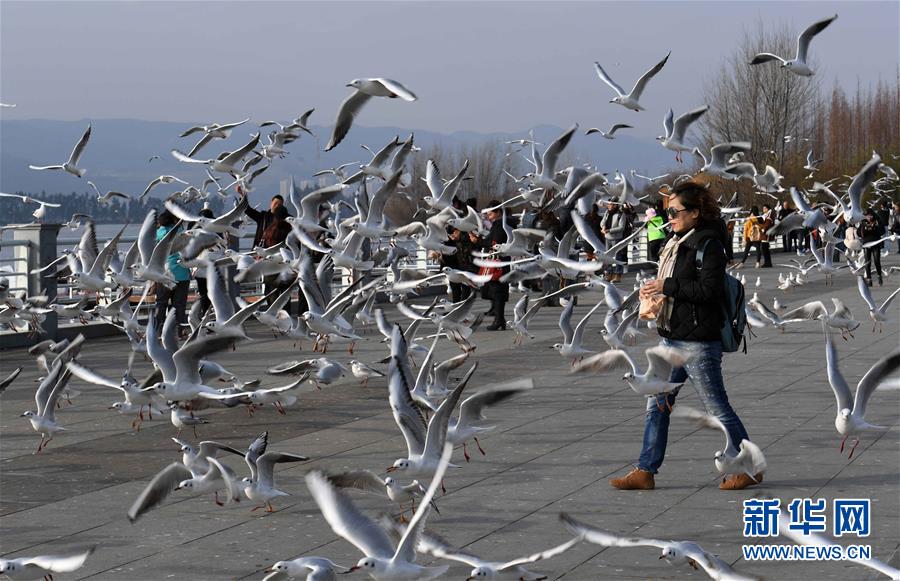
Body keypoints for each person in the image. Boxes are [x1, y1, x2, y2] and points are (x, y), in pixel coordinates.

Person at [611, 180, 758, 491]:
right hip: (671, 336)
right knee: (657, 402)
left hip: (698, 342)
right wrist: (652, 225)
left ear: (695, 212)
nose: (670, 218)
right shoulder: (677, 241)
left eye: (675, 212)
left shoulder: (709, 244)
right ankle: (645, 470)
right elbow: (657, 251)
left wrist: (667, 287)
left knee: (716, 408)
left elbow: (709, 290)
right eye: (667, 212)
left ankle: (750, 466)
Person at [154, 210, 191, 334]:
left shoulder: (157, 233)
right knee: (179, 305)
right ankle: (177, 331)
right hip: (182, 273)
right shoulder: (182, 233)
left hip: (164, 273)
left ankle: (158, 330)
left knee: (161, 303)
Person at [476, 202, 511, 331]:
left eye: (490, 214)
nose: (488, 216)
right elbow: (491, 241)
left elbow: (494, 242)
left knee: (498, 292)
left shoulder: (500, 226)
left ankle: (499, 320)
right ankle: (500, 319)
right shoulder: (499, 225)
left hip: (499, 263)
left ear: (498, 213)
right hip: (499, 262)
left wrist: (479, 241)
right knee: (496, 291)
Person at [260, 205, 295, 311]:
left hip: (271, 266)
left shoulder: (269, 230)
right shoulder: (290, 231)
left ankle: (275, 318)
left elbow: (264, 248)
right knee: (285, 296)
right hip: (285, 265)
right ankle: (286, 321)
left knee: (271, 294)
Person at [601, 202, 631, 282]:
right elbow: (602, 222)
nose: (608, 206)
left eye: (610, 204)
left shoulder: (621, 214)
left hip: (617, 238)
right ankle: (608, 274)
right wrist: (603, 226)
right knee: (607, 257)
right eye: (608, 204)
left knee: (618, 257)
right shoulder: (607, 213)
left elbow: (621, 227)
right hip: (607, 238)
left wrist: (609, 230)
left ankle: (618, 275)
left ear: (615, 205)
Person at [859, 209, 884, 286]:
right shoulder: (863, 222)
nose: (868, 217)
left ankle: (879, 276)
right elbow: (858, 233)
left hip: (875, 243)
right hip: (866, 244)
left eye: (870, 215)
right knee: (867, 262)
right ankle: (869, 279)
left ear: (872, 215)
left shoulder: (877, 221)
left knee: (877, 261)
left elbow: (882, 231)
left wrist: (875, 228)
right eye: (866, 216)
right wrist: (865, 229)